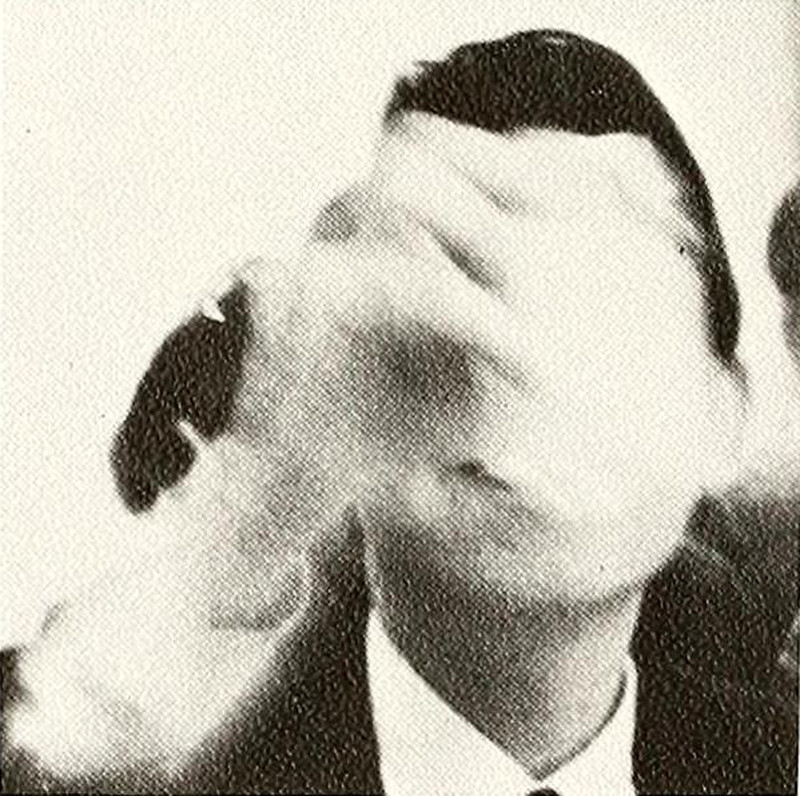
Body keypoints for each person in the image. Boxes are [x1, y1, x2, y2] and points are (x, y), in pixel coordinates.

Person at [1, 29, 796, 795]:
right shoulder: (170, 737)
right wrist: (222, 559)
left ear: (722, 418)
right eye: (444, 298)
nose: (507, 371)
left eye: (598, 304)